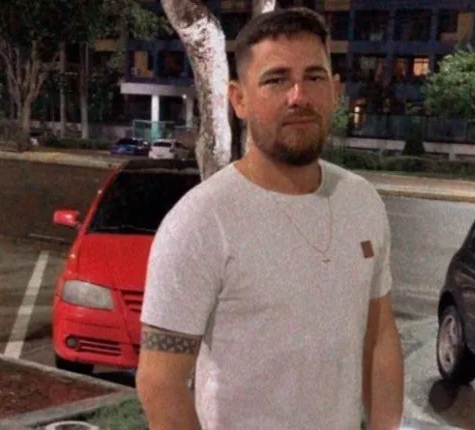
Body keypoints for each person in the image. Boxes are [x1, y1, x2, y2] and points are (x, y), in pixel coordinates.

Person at [136, 7, 404, 430]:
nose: (298, 96)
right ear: (239, 99)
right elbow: (160, 383)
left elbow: (380, 336)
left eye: (314, 77)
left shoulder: (362, 202)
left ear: (335, 90)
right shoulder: (201, 221)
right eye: (276, 80)